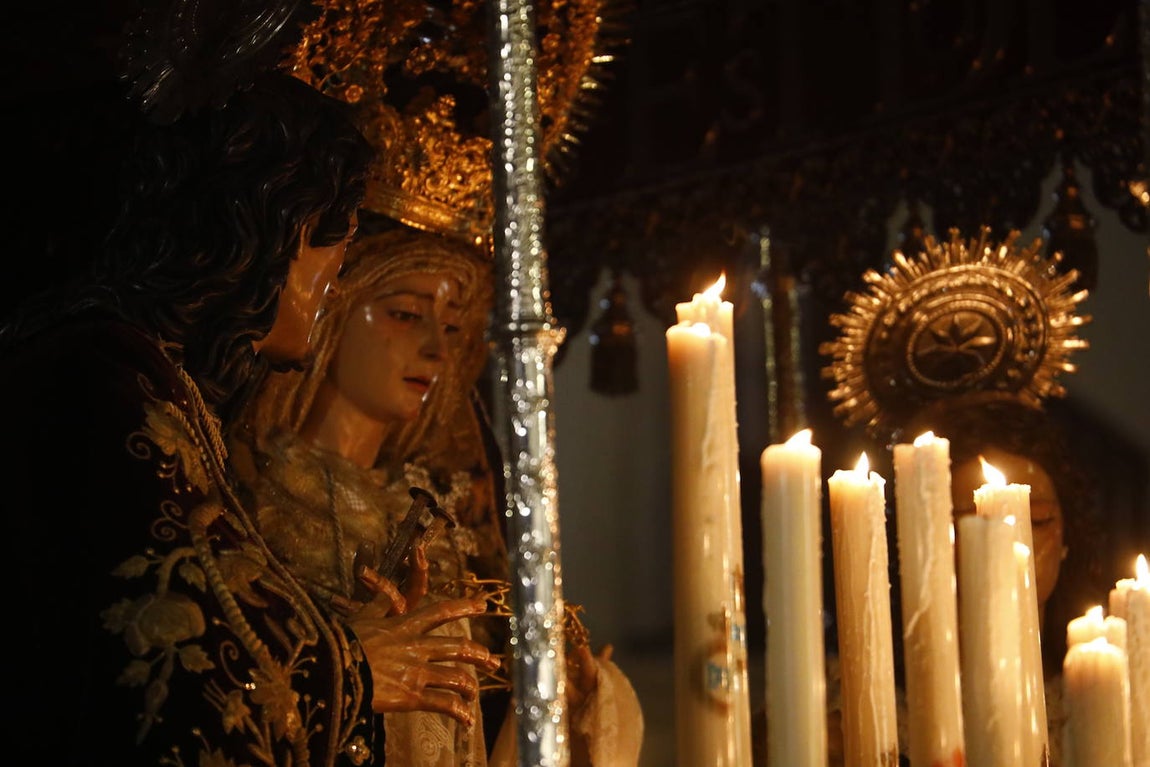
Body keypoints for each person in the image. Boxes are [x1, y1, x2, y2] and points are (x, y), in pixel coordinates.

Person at [0, 67, 500, 765]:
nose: (333, 277)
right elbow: (169, 674)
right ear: (269, 229)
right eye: (333, 242)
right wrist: (350, 667)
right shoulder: (106, 385)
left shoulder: (151, 382)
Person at [230, 221, 645, 766]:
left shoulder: (437, 509)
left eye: (451, 329)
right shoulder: (258, 496)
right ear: (330, 312)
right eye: (405, 315)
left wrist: (566, 696)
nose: (435, 350)